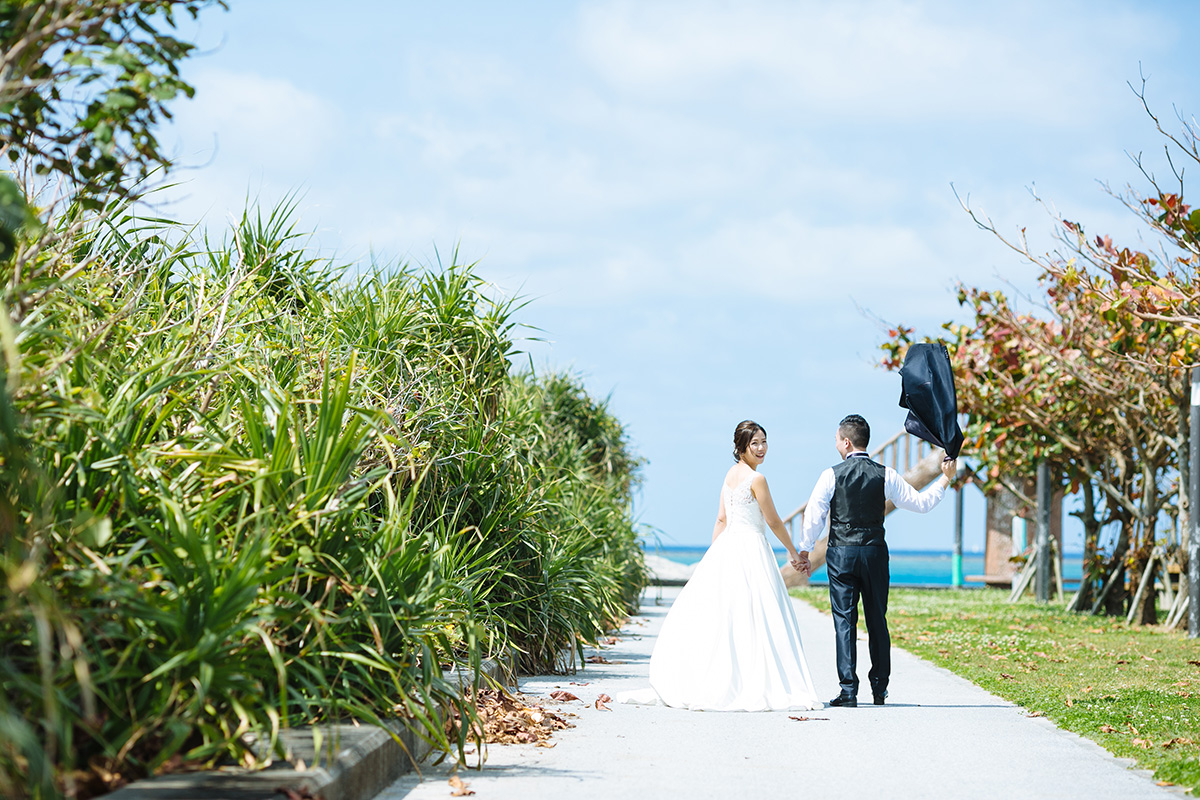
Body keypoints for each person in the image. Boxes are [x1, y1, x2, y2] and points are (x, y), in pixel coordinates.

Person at [620, 420, 822, 711]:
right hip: (751, 548)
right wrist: (794, 553)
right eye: (755, 443)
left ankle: (727, 679)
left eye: (764, 441)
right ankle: (751, 681)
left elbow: (721, 520)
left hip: (728, 546)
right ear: (741, 447)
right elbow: (773, 520)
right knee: (755, 615)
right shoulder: (757, 479)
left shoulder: (730, 475)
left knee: (729, 615)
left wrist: (712, 557)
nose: (762, 448)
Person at [797, 414, 956, 708]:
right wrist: (945, 478)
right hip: (874, 553)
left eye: (836, 439)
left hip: (841, 554)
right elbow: (921, 504)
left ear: (846, 442)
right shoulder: (887, 474)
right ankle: (879, 689)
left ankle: (848, 691)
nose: (835, 444)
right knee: (877, 621)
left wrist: (805, 551)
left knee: (845, 622)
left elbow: (814, 516)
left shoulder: (830, 475)